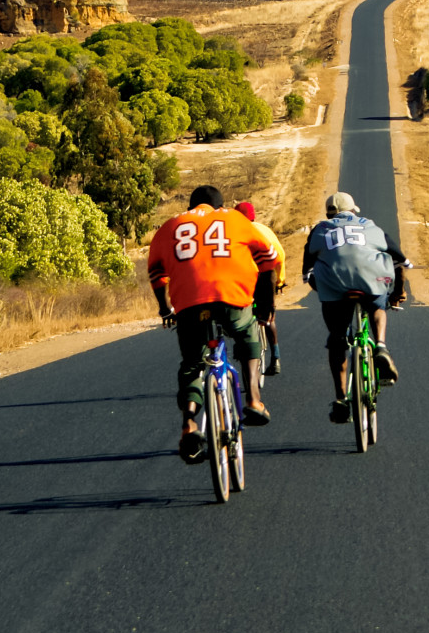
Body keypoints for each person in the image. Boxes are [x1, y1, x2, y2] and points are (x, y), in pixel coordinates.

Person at [149, 184, 281, 463]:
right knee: (247, 335)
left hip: (189, 306)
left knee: (192, 364)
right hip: (231, 299)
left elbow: (157, 273)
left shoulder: (171, 226)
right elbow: (270, 259)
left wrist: (165, 309)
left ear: (189, 208)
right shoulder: (235, 219)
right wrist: (266, 306)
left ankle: (189, 424)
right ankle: (254, 400)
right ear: (221, 205)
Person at [302, 191, 409, 424]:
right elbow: (400, 261)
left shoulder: (320, 229)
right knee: (378, 305)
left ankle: (341, 398)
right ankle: (380, 346)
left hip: (335, 286)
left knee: (337, 339)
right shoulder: (370, 226)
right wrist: (398, 292)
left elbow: (307, 272)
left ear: (328, 212)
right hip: (371, 280)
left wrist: (320, 286)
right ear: (352, 210)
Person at [234, 201, 287, 375]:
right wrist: (279, 281)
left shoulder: (234, 232)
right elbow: (279, 255)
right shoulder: (264, 230)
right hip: (266, 278)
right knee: (270, 317)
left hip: (244, 280)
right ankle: (276, 357)